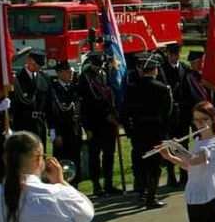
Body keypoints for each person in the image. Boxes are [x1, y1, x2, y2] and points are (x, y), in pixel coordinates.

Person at [125, 54, 173, 208]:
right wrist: (166, 133)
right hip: (156, 132)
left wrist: (129, 130)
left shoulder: (132, 88)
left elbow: (124, 112)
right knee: (154, 164)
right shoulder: (163, 88)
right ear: (155, 70)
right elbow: (168, 113)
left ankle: (141, 193)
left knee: (140, 162)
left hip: (138, 131)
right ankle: (151, 197)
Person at [77, 53, 121, 196]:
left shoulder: (105, 74)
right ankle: (96, 185)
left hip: (108, 123)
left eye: (101, 65)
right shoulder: (85, 78)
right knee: (94, 155)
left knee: (109, 154)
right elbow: (86, 105)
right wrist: (87, 127)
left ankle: (108, 183)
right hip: (94, 123)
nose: (99, 67)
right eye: (96, 64)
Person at [159, 42, 188, 187]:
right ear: (168, 55)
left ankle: (184, 173)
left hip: (182, 113)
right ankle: (171, 175)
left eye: (177, 54)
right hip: (170, 114)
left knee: (183, 143)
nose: (175, 57)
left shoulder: (184, 68)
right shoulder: (162, 70)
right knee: (171, 144)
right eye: (172, 54)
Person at [49, 61, 83, 184]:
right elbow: (52, 112)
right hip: (62, 131)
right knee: (63, 160)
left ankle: (75, 185)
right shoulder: (54, 90)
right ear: (60, 73)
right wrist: (55, 133)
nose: (71, 74)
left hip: (74, 129)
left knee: (75, 159)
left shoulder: (73, 88)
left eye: (71, 72)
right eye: (68, 72)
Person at [11, 50, 50, 152]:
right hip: (23, 124)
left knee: (40, 155)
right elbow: (14, 104)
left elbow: (49, 103)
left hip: (40, 124)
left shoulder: (44, 78)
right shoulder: (17, 79)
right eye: (35, 64)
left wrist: (52, 127)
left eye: (39, 65)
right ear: (28, 61)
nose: (38, 68)